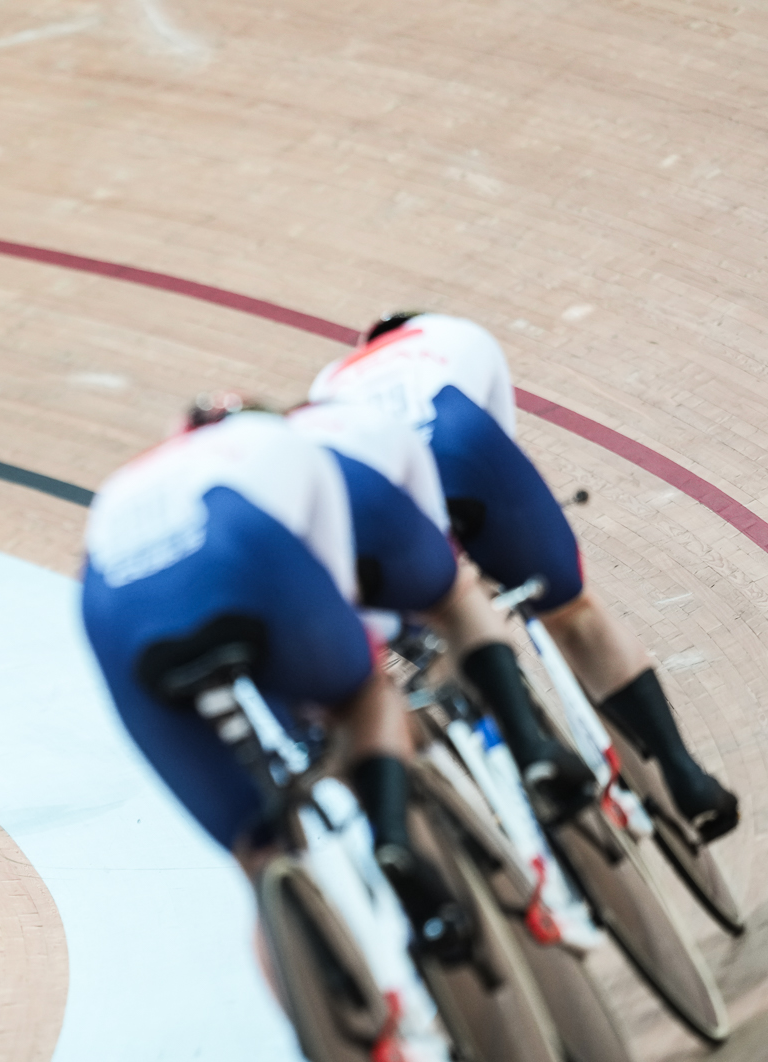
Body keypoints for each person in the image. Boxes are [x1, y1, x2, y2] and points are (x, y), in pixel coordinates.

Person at [81, 403, 484, 1062]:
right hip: (243, 556)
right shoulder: (277, 442)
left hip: (115, 612)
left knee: (258, 856)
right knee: (364, 695)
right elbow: (339, 592)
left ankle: (339, 1061)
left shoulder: (132, 489)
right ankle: (392, 836)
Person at [302, 312, 739, 840]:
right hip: (461, 447)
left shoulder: (328, 383)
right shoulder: (454, 334)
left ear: (360, 347)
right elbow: (503, 452)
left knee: (429, 629)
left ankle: (491, 772)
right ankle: (684, 774)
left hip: (368, 501)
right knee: (568, 608)